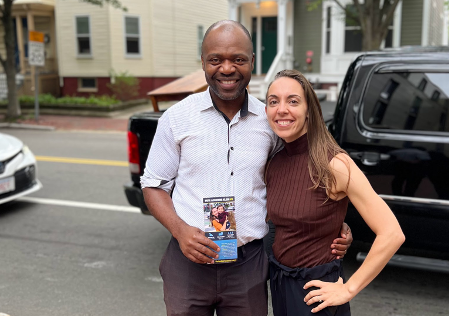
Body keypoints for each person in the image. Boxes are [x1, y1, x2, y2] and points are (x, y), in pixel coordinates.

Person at [140, 20, 353, 316]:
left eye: (238, 59)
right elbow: (153, 185)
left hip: (248, 266)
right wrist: (180, 230)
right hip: (188, 261)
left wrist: (331, 225)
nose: (227, 69)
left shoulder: (270, 122)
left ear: (251, 62)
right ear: (203, 62)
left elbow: (297, 176)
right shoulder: (177, 119)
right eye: (216, 60)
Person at [265, 70, 405, 316]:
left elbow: (392, 233)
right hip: (281, 284)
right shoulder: (275, 161)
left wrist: (349, 289)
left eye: (293, 101)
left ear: (310, 110)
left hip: (317, 292)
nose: (281, 109)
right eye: (273, 101)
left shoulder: (335, 164)